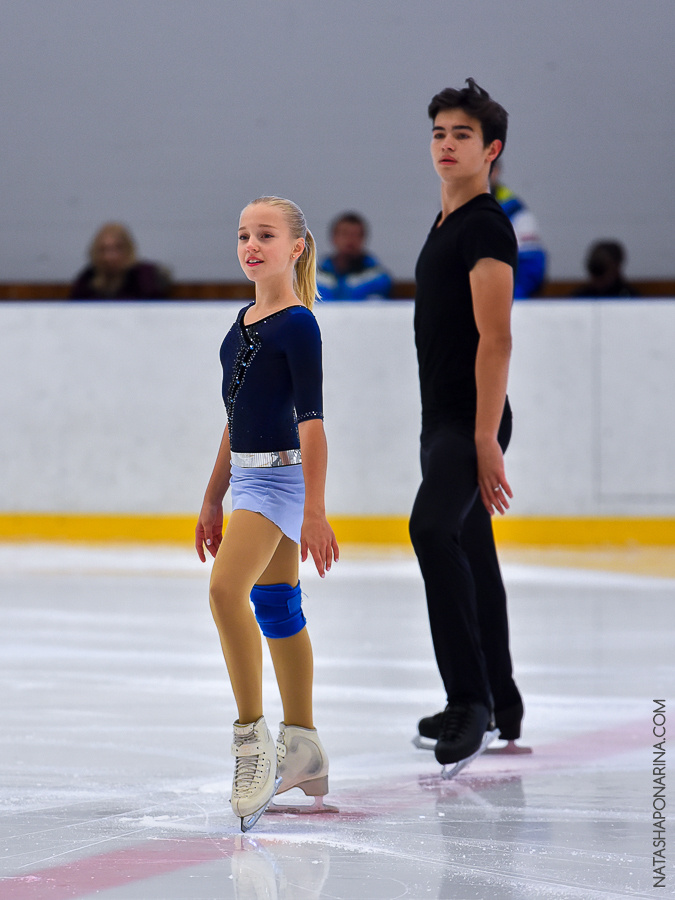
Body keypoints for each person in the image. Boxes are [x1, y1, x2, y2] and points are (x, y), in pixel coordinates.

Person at [195, 196, 339, 832]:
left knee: (226, 591)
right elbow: (235, 420)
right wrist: (211, 495)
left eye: (267, 235)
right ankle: (302, 745)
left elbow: (312, 425)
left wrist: (314, 508)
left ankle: (252, 743)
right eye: (244, 235)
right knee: (277, 606)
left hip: (281, 482)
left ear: (296, 248)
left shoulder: (299, 324)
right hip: (247, 478)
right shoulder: (243, 320)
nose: (252, 245)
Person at [409, 78, 526, 769]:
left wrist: (484, 439)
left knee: (430, 530)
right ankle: (501, 700)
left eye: (460, 135)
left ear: (491, 149)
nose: (447, 145)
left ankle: (469, 703)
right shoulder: (447, 221)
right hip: (443, 424)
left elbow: (497, 338)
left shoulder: (484, 224)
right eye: (438, 134)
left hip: (467, 423)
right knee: (470, 551)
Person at [489, 160, 547, 298]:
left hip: (506, 303)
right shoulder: (456, 210)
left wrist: (508, 301)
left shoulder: (516, 213)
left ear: (495, 171)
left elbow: (531, 266)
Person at [69, 222, 171, 300]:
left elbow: (155, 308)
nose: (109, 257)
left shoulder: (144, 277)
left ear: (128, 250)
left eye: (117, 249)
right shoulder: (88, 278)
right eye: (103, 250)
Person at [317, 211, 392, 300]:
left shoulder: (377, 278)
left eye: (356, 235)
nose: (350, 239)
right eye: (344, 234)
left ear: (363, 239)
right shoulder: (316, 277)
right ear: (334, 238)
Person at [572, 240, 640, 298]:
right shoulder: (580, 298)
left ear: (616, 267)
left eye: (601, 269)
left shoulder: (629, 298)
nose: (597, 277)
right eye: (594, 269)